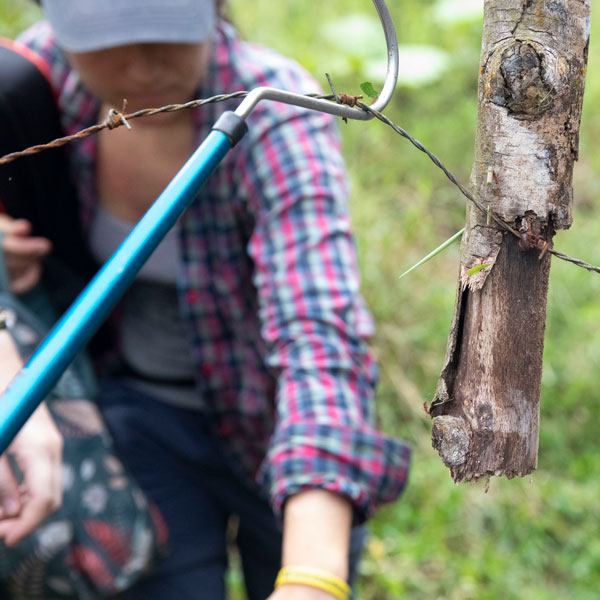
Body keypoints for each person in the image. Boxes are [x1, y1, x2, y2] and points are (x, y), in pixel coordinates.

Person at [1, 0, 411, 598]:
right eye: (107, 40)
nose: (141, 70)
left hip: (279, 423)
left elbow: (317, 328)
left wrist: (314, 578)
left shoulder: (275, 108)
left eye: (165, 35)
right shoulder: (32, 87)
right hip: (138, 423)